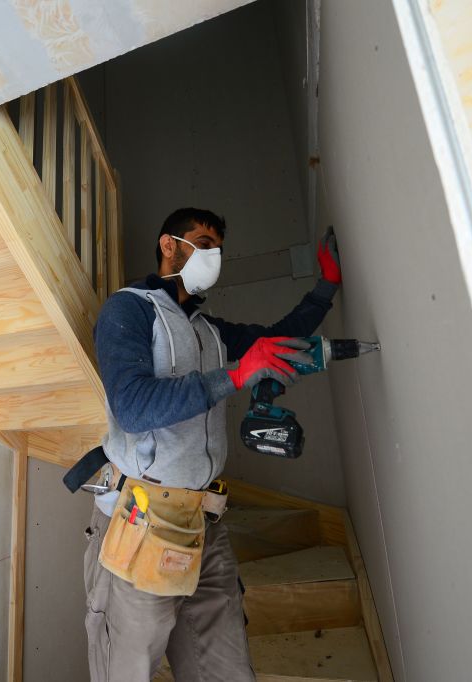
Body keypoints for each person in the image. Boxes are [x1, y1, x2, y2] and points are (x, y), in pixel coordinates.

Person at [83, 207, 342, 681]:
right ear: (168, 245)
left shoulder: (210, 331)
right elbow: (133, 407)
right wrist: (237, 375)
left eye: (218, 248)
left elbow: (277, 340)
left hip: (204, 524)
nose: (213, 255)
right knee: (127, 668)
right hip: (139, 520)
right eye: (203, 243)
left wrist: (325, 288)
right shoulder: (130, 309)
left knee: (223, 669)